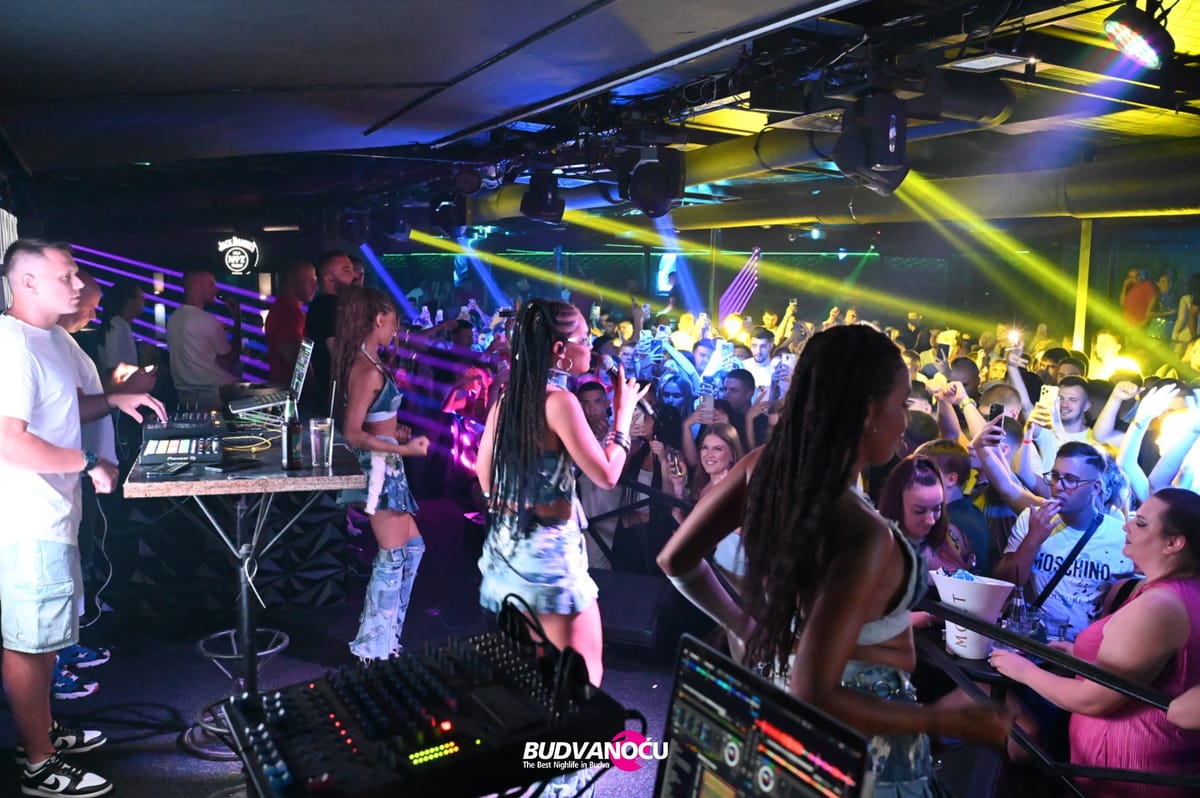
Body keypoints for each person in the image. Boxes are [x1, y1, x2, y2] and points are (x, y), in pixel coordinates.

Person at [658, 325, 1010, 797]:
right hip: (860, 727)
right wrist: (943, 720)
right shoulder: (862, 531)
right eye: (901, 404)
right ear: (868, 411)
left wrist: (747, 626)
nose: (904, 422)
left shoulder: (764, 464)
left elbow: (676, 558)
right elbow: (815, 690)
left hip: (779, 700)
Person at [0, 239, 165, 798]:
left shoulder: (49, 339)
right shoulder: (10, 344)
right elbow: (10, 443)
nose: (78, 285)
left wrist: (113, 401)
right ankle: (38, 764)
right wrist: (90, 461)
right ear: (27, 282)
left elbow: (64, 407)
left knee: (46, 637)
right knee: (27, 641)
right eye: (66, 277)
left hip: (55, 509)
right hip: (26, 518)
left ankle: (42, 733)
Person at [476, 298, 648, 688]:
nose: (591, 346)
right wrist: (622, 417)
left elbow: (484, 478)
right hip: (549, 564)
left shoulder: (508, 399)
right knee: (582, 679)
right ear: (560, 350)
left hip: (508, 557)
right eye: (584, 339)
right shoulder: (560, 402)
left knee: (535, 678)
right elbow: (607, 475)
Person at [991, 488, 1200, 798]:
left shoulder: (1160, 606)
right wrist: (1080, 658)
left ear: (1174, 543)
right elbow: (1148, 673)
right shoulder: (1174, 590)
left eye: (1141, 523)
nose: (1127, 526)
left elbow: (1095, 700)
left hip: (1127, 777)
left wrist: (1023, 670)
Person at [333, 286, 430, 660]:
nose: (395, 331)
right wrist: (402, 447)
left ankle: (387, 641)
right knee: (393, 559)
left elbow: (373, 423)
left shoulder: (370, 363)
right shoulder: (363, 368)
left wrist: (393, 432)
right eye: (393, 323)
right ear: (378, 320)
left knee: (412, 549)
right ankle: (372, 650)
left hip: (388, 467)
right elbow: (352, 431)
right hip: (379, 471)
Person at [877, 455, 976, 574]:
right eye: (919, 511)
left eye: (937, 509)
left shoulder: (951, 536)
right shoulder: (878, 547)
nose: (931, 520)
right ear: (896, 504)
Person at [166, 270, 241, 409]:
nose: (216, 289)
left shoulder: (173, 318)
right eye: (211, 284)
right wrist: (237, 320)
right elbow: (230, 360)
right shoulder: (207, 320)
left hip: (185, 396)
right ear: (196, 288)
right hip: (215, 395)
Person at [264, 260, 317, 385]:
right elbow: (296, 359)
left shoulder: (284, 309)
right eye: (310, 281)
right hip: (293, 392)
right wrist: (313, 387)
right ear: (293, 281)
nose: (316, 287)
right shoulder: (288, 312)